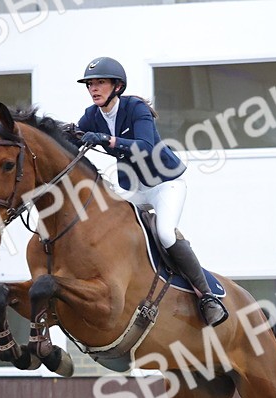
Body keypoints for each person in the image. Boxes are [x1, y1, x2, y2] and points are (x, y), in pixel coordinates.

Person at [74, 56, 227, 327]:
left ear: (117, 86)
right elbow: (72, 137)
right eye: (90, 85)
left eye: (100, 83)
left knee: (165, 233)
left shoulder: (136, 108)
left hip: (164, 184)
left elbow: (145, 146)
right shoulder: (91, 115)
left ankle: (206, 297)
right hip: (132, 188)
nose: (94, 89)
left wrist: (107, 139)